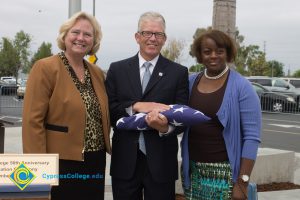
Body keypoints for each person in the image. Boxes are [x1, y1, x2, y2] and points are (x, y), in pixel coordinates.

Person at [22, 11, 110, 200]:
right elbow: (32, 122)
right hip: (60, 162)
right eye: (75, 32)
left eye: (88, 34)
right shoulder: (45, 68)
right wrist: (37, 168)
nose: (81, 38)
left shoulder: (96, 72)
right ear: (64, 36)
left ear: (94, 41)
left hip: (95, 160)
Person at [105, 11, 189, 200]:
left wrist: (165, 127)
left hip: (161, 165)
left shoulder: (178, 72)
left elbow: (183, 117)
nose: (153, 38)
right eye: (147, 33)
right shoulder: (117, 70)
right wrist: (136, 106)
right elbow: (109, 110)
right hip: (125, 163)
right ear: (137, 37)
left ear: (164, 39)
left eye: (158, 34)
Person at [181, 30, 261, 200]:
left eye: (219, 51)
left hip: (225, 174)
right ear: (200, 55)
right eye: (207, 51)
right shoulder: (190, 82)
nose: (213, 56)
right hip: (192, 170)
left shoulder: (242, 87)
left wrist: (242, 182)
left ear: (228, 53)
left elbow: (252, 137)